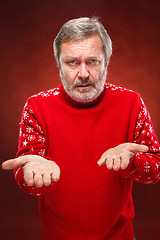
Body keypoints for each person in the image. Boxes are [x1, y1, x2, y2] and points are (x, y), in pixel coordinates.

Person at [2, 17, 160, 240]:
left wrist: (132, 161)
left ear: (106, 61)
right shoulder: (36, 106)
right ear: (59, 64)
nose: (83, 73)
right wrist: (31, 177)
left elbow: (155, 170)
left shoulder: (132, 102)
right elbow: (26, 173)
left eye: (93, 61)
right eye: (72, 62)